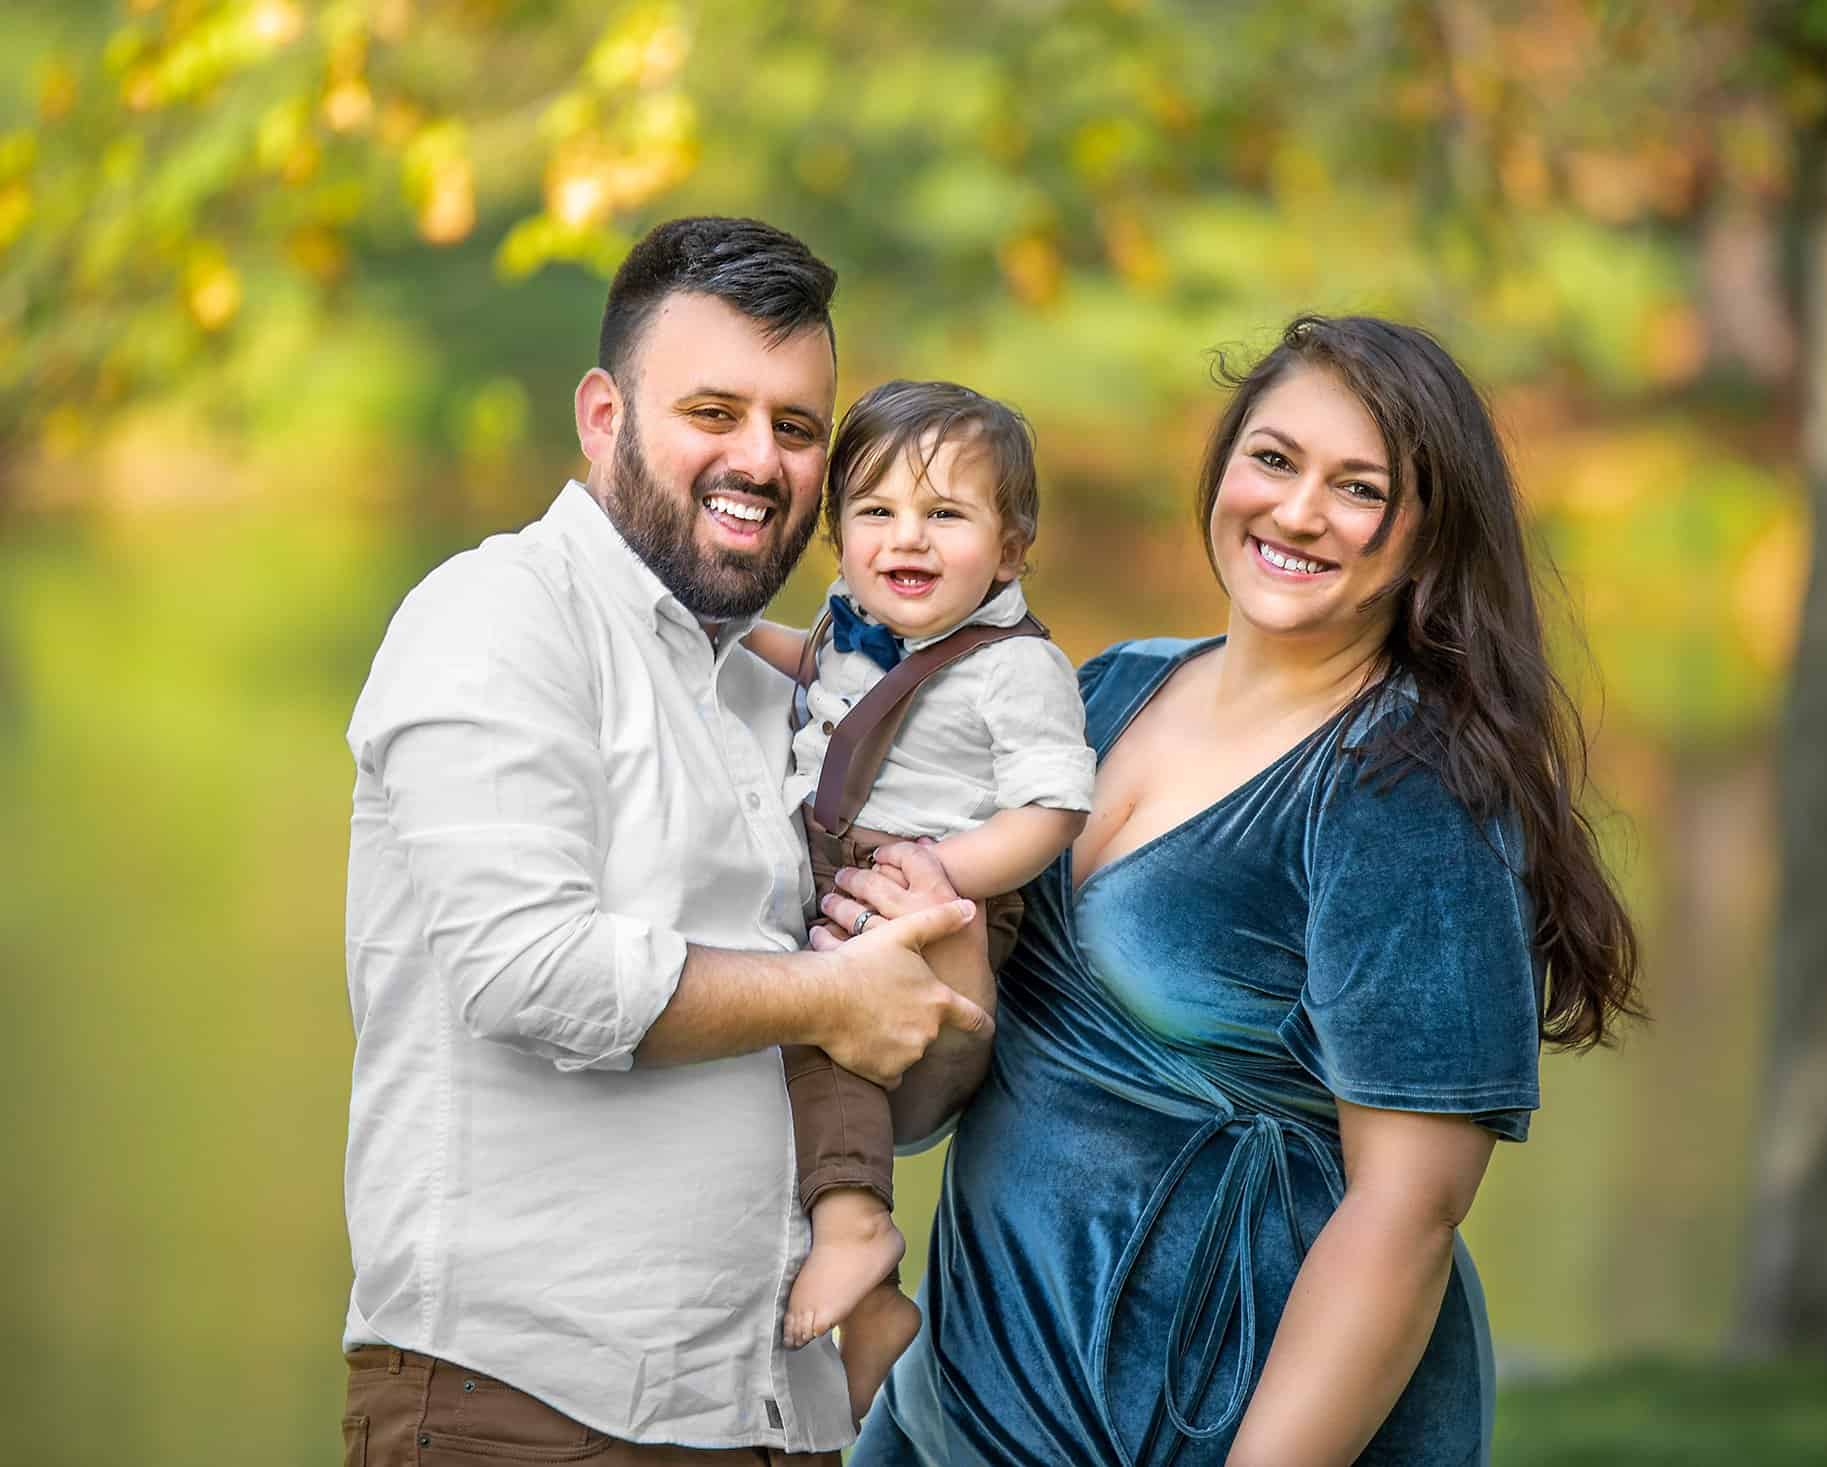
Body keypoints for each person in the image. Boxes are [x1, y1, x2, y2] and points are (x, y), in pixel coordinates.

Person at [840, 315, 1645, 1466]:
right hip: (960, 1409)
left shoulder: (1404, 790)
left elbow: (1408, 1214)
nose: (1297, 510)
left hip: (1211, 1432)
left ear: (1425, 538)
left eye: (1357, 486)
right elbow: (946, 1094)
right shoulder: (1104, 688)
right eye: (1273, 459)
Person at [337, 216, 996, 1466]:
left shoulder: (782, 701)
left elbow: (862, 1074)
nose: (760, 459)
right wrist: (829, 990)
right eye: (714, 411)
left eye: (796, 428)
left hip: (771, 1412)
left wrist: (937, 998)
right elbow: (525, 969)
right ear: (602, 417)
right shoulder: (496, 618)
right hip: (521, 1410)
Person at [740, 380, 1094, 1413]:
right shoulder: (855, 621)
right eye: (878, 512)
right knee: (781, 1035)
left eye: (946, 515)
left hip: (932, 888)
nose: (910, 538)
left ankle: (858, 1234)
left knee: (825, 1027)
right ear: (837, 534)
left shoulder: (1014, 671)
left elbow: (1051, 809)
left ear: (1013, 548)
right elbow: (819, 675)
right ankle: (878, 1306)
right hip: (843, 866)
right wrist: (719, 636)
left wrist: (949, 875)